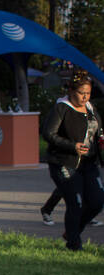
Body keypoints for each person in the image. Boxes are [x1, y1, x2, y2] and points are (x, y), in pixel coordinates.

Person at [41, 70, 104, 251]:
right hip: (64, 162)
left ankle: (72, 231)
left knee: (97, 202)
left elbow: (97, 131)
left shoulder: (91, 109)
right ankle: (74, 245)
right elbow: (48, 133)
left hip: (89, 163)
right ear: (71, 91)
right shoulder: (62, 108)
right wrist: (72, 146)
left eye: (88, 93)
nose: (85, 97)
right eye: (81, 93)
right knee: (75, 203)